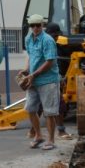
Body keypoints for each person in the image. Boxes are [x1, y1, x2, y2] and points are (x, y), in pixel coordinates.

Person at [19, 14, 60, 150]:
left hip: (48, 80)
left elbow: (49, 62)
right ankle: (38, 135)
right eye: (33, 26)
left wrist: (34, 74)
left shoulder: (48, 40)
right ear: (30, 27)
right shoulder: (28, 39)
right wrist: (26, 69)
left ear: (42, 25)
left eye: (38, 25)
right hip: (33, 80)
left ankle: (51, 140)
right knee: (30, 109)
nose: (35, 28)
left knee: (49, 112)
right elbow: (31, 56)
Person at [45, 22, 73, 140]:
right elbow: (50, 63)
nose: (57, 38)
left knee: (44, 107)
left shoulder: (53, 44)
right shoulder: (50, 45)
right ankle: (58, 133)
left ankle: (35, 133)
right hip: (50, 80)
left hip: (51, 79)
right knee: (58, 107)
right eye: (56, 35)